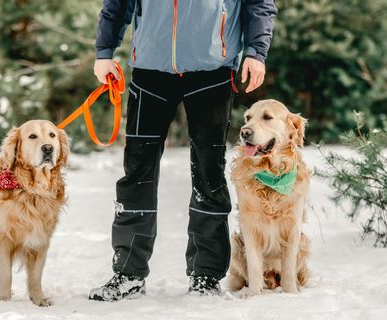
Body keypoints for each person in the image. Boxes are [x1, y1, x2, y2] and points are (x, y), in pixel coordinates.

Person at [89, 0, 277, 301]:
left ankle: (205, 274)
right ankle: (128, 273)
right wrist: (104, 51)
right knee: (137, 173)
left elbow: (259, 3)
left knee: (208, 172)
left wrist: (256, 51)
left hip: (212, 71)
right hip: (150, 72)